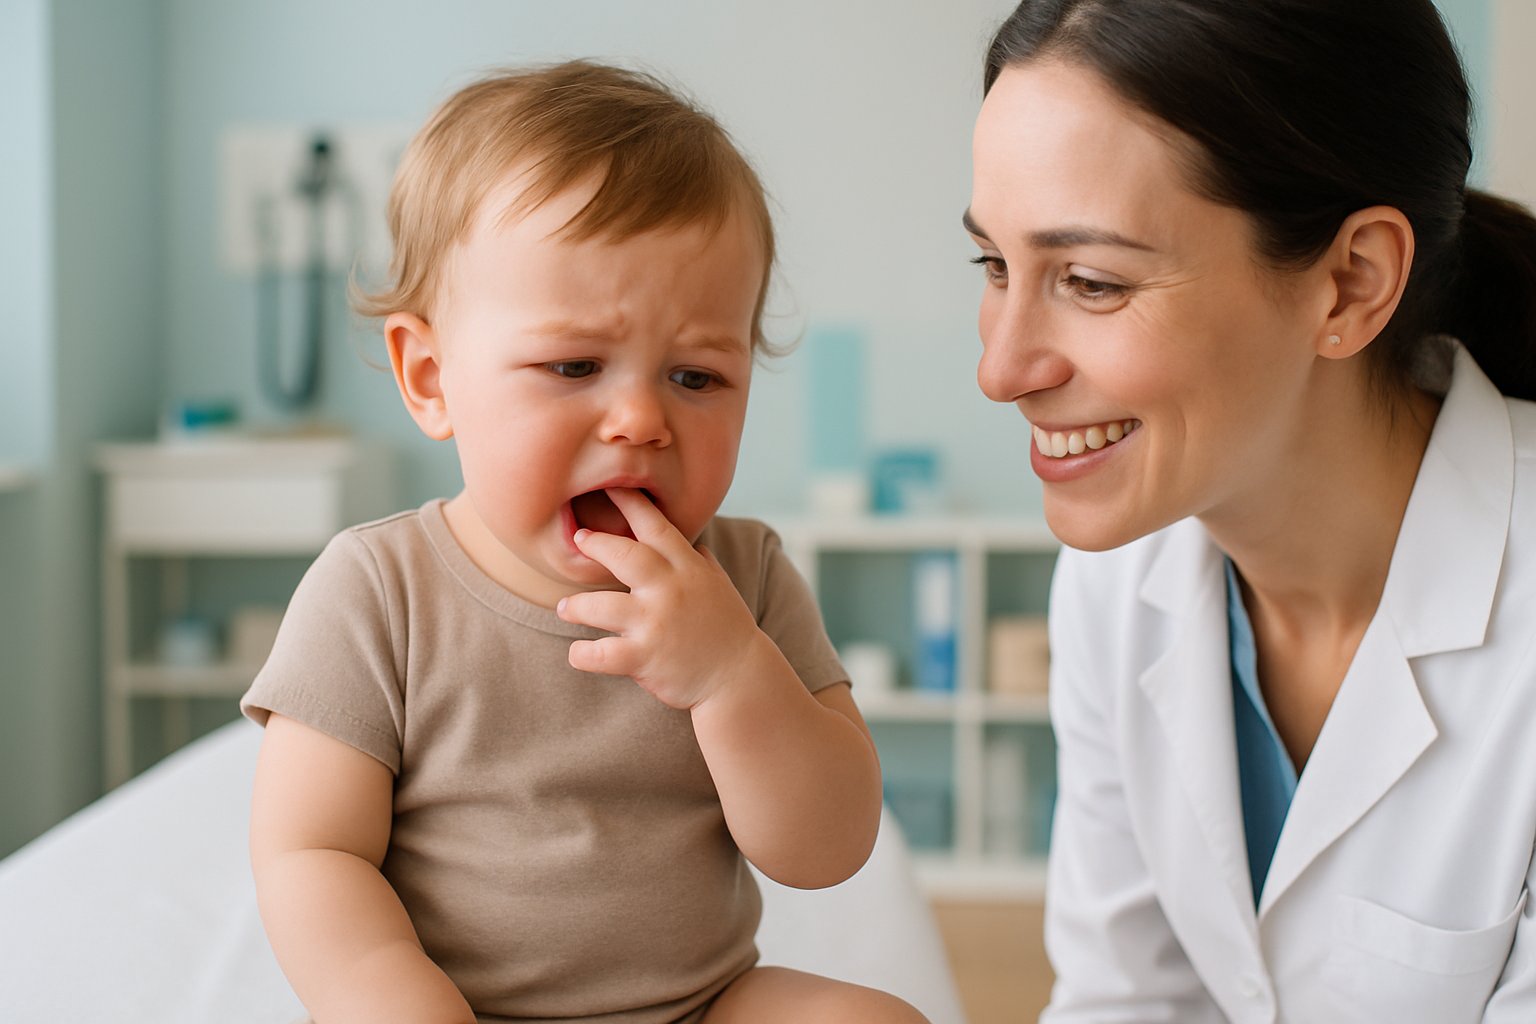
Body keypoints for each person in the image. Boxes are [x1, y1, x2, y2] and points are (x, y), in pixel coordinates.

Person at [241, 61, 927, 1024]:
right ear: (431, 378)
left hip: (700, 1004)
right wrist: (394, 1000)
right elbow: (311, 854)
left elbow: (826, 850)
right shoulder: (377, 591)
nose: (642, 418)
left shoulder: (748, 578)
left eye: (697, 377)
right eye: (574, 365)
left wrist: (733, 674)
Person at [965, 1, 1536, 1020]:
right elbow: (1126, 1000)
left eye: (1090, 281)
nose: (1001, 368)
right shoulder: (1116, 579)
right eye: (995, 267)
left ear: (1351, 283)